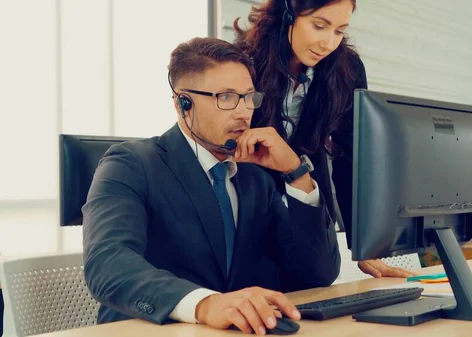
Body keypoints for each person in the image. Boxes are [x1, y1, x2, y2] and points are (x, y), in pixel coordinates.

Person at [83, 37, 341, 334]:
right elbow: (108, 265)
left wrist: (297, 174)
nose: (244, 112)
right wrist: (205, 304)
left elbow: (315, 275)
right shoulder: (130, 165)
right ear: (183, 104)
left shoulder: (254, 177)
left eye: (248, 97)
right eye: (226, 97)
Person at [234, 0, 416, 278]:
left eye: (339, 31)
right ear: (287, 15)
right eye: (319, 26)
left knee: (318, 277)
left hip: (307, 189)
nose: (328, 43)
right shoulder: (244, 61)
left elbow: (351, 154)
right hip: (251, 195)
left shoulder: (347, 68)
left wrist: (363, 245)